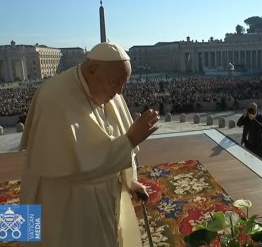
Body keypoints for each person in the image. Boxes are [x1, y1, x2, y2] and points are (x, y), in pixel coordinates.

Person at [19, 42, 160, 247]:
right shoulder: (53, 97)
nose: (119, 92)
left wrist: (130, 180)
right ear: (92, 70)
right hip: (66, 204)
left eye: (124, 84)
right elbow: (79, 170)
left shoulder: (112, 92)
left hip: (102, 197)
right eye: (115, 83)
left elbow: (114, 140)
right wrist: (130, 139)